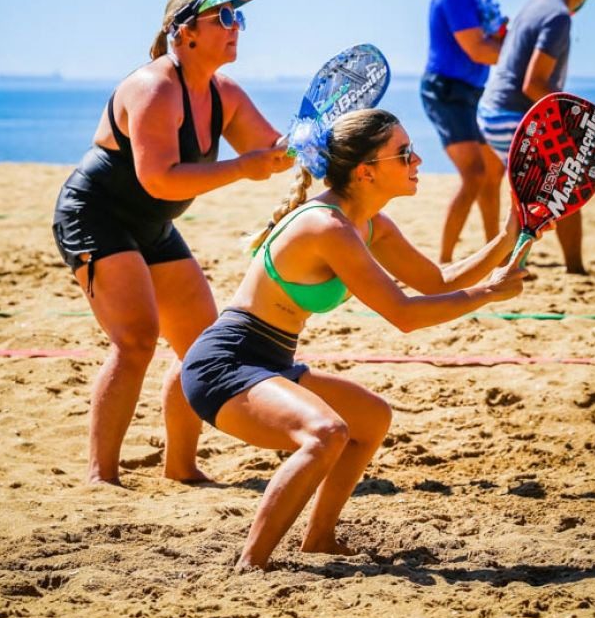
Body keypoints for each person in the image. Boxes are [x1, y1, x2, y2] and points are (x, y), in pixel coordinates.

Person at [180, 109, 533, 570]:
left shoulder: (371, 223)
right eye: (404, 154)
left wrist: (506, 238)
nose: (418, 161)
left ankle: (319, 538)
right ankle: (252, 564)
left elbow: (436, 280)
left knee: (370, 419)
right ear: (365, 171)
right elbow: (403, 314)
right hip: (224, 366)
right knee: (326, 433)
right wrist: (488, 293)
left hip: (270, 361)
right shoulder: (327, 227)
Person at [52, 0, 294, 485]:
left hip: (152, 224)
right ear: (183, 32)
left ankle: (180, 469)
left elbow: (271, 150)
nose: (235, 27)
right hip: (96, 216)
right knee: (136, 341)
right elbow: (159, 177)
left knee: (202, 349)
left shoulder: (223, 92)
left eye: (237, 18)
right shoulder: (154, 87)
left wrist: (315, 141)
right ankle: (102, 477)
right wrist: (244, 168)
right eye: (223, 17)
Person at [478, 0, 595, 274]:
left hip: (493, 110)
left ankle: (511, 261)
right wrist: (574, 120)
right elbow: (533, 84)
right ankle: (571, 270)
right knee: (566, 180)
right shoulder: (559, 16)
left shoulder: (536, 3)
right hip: (510, 116)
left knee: (539, 188)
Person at [421, 0, 510, 264]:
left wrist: (507, 39)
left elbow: (489, 45)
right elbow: (479, 50)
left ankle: (495, 254)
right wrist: (519, 51)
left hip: (472, 90)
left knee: (492, 173)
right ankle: (443, 261)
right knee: (474, 175)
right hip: (445, 91)